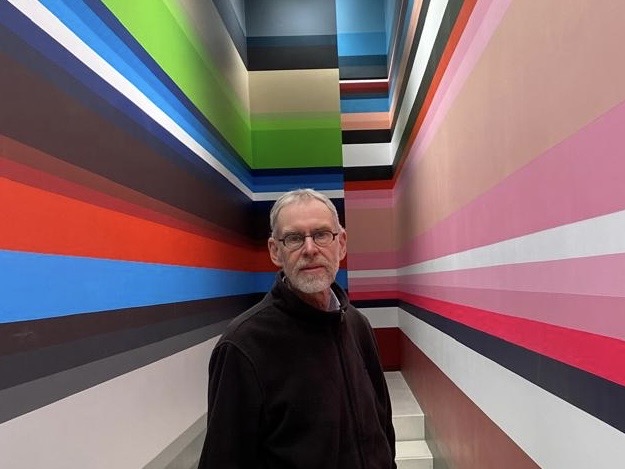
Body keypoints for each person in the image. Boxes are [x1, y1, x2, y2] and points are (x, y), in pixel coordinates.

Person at [198, 188, 396, 468]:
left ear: (341, 244)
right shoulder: (243, 346)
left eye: (321, 234)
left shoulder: (357, 325)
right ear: (275, 251)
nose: (310, 249)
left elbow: (383, 426)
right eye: (294, 238)